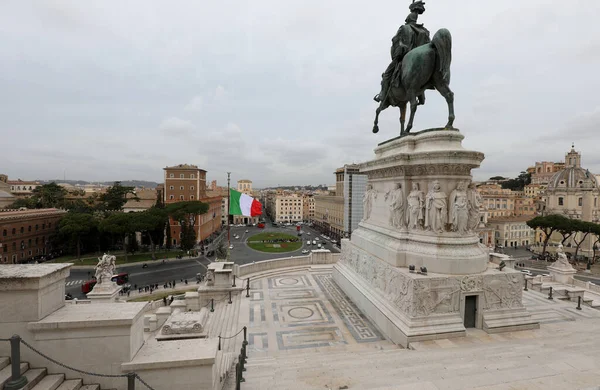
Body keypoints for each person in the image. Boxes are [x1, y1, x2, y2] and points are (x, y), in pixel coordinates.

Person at [374, 0, 431, 104]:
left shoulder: (404, 28)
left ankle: (382, 95)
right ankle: (422, 97)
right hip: (420, 58)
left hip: (402, 55)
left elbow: (395, 41)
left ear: (408, 18)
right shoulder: (424, 31)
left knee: (387, 74)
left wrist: (398, 52)